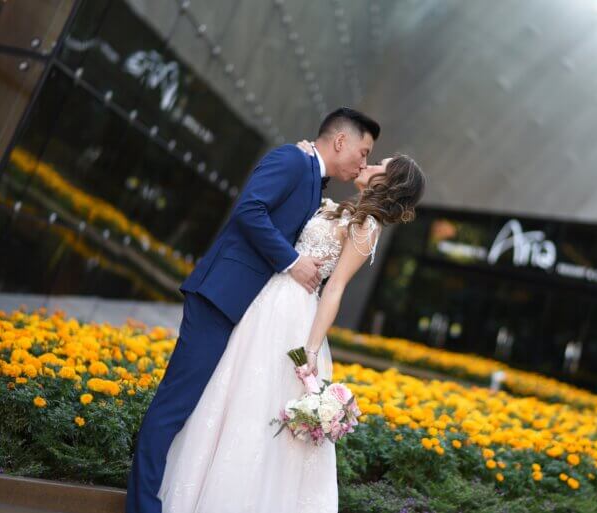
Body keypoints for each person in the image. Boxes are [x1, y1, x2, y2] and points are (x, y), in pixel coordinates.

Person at [125, 107, 381, 513]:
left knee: (200, 410)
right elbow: (249, 209)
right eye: (364, 152)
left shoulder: (316, 181)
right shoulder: (291, 159)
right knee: (174, 407)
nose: (363, 162)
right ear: (340, 142)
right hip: (220, 298)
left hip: (248, 313)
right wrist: (292, 261)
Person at [157, 147, 425, 512]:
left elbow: (335, 288)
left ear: (389, 184)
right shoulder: (338, 207)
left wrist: (311, 349)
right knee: (231, 392)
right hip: (266, 301)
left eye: (381, 165)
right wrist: (307, 153)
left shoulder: (366, 226)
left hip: (295, 316)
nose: (370, 164)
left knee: (260, 405)